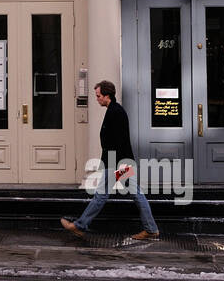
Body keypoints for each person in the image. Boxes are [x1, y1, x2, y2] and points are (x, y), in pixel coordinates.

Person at [61, 80, 159, 240]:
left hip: (117, 163)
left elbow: (120, 141)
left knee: (104, 195)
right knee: (131, 194)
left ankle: (79, 226)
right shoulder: (113, 110)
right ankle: (151, 228)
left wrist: (119, 166)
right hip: (118, 161)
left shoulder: (116, 112)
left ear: (107, 95)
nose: (97, 99)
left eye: (98, 96)